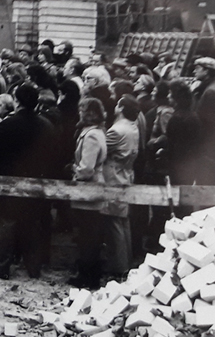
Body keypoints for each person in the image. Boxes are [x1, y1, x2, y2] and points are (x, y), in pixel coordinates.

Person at [0, 82, 55, 280]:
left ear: (17, 101)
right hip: (37, 179)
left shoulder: (9, 124)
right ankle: (33, 267)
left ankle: (1, 265)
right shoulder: (45, 124)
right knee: (30, 222)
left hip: (11, 178)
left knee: (8, 221)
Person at [67, 97, 108, 289]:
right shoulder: (97, 132)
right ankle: (88, 274)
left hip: (88, 188)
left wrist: (73, 169)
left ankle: (89, 277)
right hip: (93, 187)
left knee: (88, 235)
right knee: (89, 234)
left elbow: (86, 168)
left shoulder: (91, 136)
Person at [102, 95, 140, 279]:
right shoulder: (133, 127)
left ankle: (118, 265)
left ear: (121, 108)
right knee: (123, 221)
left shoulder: (116, 130)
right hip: (126, 174)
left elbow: (102, 149)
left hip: (113, 177)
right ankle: (125, 261)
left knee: (114, 222)